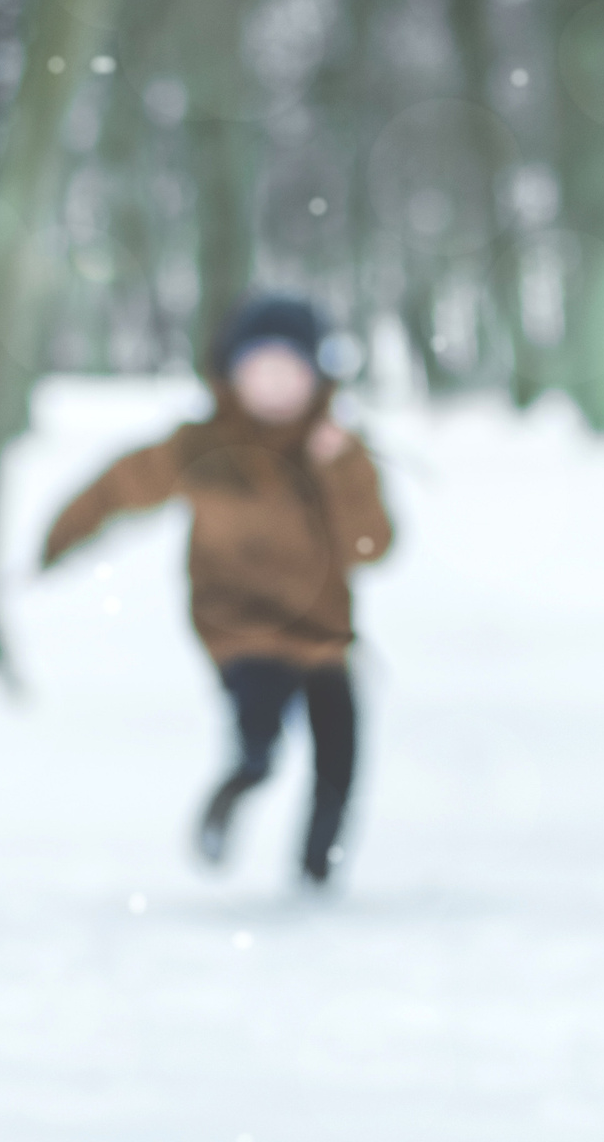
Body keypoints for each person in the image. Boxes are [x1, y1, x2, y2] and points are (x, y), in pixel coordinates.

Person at [39, 293, 394, 882]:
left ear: (316, 377)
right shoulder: (203, 448)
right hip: (240, 629)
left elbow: (373, 545)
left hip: (324, 633)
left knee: (341, 757)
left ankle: (317, 873)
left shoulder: (335, 452)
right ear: (234, 374)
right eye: (263, 371)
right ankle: (235, 788)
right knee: (260, 737)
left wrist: (339, 469)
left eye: (291, 372)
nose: (277, 388)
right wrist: (56, 544)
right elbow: (119, 486)